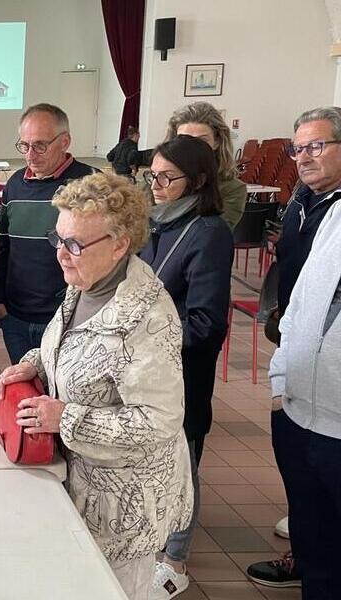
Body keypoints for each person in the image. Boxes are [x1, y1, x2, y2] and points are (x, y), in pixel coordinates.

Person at [0, 172, 192, 600]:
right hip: (81, 486)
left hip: (125, 508)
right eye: (59, 239)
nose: (62, 255)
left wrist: (64, 417)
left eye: (75, 244)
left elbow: (159, 421)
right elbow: (70, 351)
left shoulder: (147, 317)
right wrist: (33, 365)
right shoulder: (86, 283)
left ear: (121, 243)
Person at [246, 106, 341, 591]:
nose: (303, 157)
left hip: (334, 400)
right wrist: (283, 379)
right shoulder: (307, 202)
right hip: (299, 381)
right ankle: (303, 563)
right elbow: (300, 295)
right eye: (297, 148)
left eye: (317, 146)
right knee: (307, 504)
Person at [138, 136, 234, 599]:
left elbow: (206, 322)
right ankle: (153, 546)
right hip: (148, 372)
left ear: (197, 180)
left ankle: (175, 561)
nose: (155, 185)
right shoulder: (160, 222)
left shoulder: (208, 231)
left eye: (166, 177)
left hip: (181, 373)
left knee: (182, 465)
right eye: (151, 175)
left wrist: (144, 339)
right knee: (156, 462)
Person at [264, 189, 341, 599]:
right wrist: (280, 383)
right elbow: (297, 304)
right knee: (316, 554)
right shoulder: (335, 217)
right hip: (298, 415)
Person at [0, 103, 96, 363]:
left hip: (68, 318)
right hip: (16, 317)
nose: (30, 154)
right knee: (26, 395)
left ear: (64, 141)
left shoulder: (91, 183)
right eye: (24, 145)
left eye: (40, 145)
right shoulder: (15, 184)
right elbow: (3, 247)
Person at [164, 102, 247, 230]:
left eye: (202, 141)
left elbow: (210, 235)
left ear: (217, 142)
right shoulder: (156, 179)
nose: (191, 148)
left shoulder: (232, 189)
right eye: (183, 140)